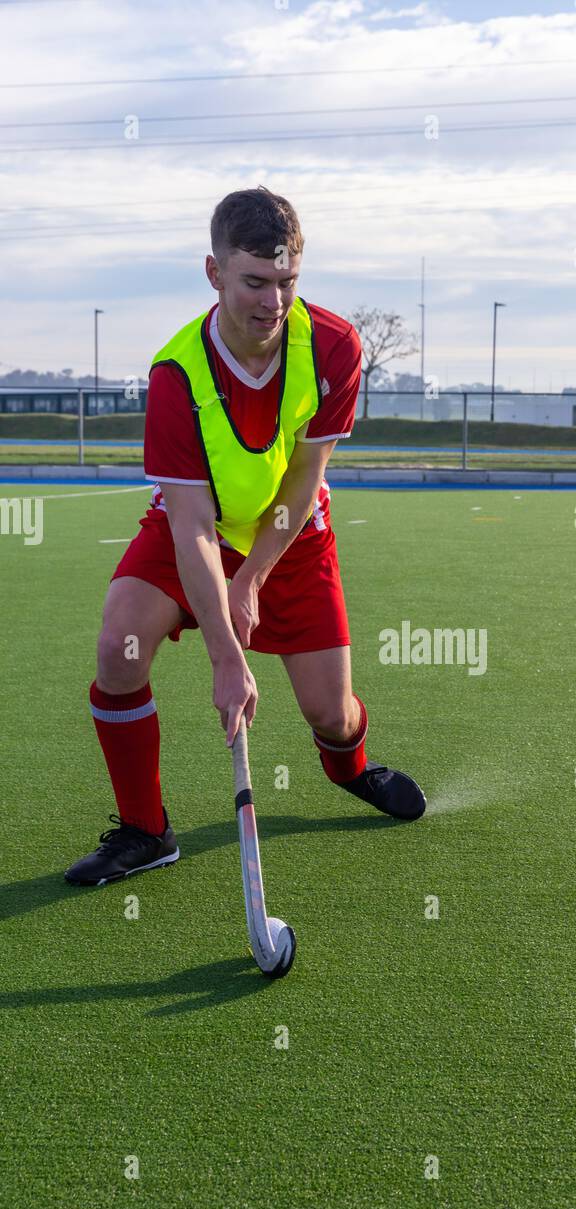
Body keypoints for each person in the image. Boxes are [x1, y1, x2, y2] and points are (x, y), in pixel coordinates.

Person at [65, 186, 425, 887]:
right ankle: (146, 829)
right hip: (193, 531)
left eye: (288, 282)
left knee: (332, 712)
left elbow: (303, 483)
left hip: (290, 537)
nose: (273, 302)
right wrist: (228, 658)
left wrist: (251, 577)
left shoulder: (332, 345)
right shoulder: (177, 375)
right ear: (214, 272)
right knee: (119, 646)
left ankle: (350, 764)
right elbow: (191, 526)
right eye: (255, 282)